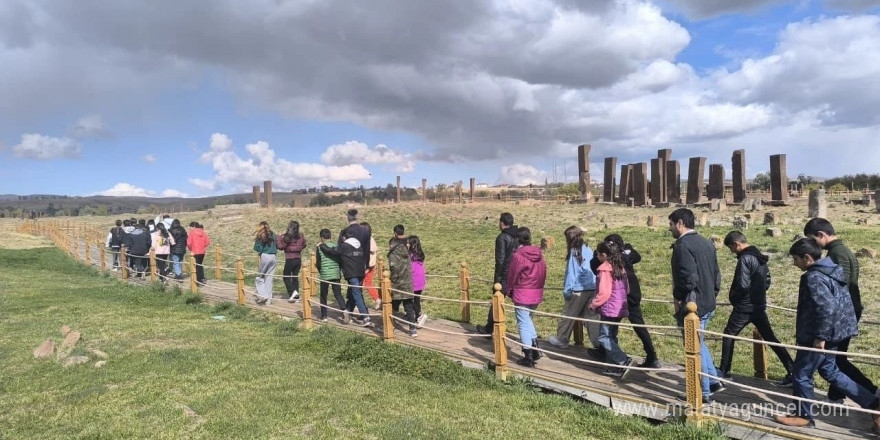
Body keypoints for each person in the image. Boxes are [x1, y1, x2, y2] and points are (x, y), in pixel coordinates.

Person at [774, 238, 880, 431]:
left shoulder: (813, 277)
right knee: (830, 371)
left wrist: (820, 337)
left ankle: (804, 417)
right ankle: (874, 405)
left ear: (807, 258)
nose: (794, 263)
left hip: (818, 336)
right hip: (837, 332)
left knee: (801, 374)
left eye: (795, 259)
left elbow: (826, 308)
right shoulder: (833, 270)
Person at [804, 218, 877, 403]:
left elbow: (837, 288)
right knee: (836, 359)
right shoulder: (842, 250)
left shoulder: (837, 254)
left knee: (837, 361)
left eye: (812, 239)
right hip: (849, 310)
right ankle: (836, 393)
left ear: (821, 235)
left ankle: (871, 392)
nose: (811, 245)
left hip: (843, 313)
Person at [718, 231, 794, 385]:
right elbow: (767, 281)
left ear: (736, 244)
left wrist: (733, 296)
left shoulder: (745, 259)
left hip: (744, 307)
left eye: (731, 248)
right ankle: (793, 371)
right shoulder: (760, 257)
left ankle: (724, 370)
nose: (731, 252)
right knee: (771, 339)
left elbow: (743, 285)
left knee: (729, 335)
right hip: (759, 306)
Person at [668, 208, 724, 403]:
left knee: (694, 347)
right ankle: (714, 382)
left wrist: (679, 299)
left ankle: (703, 393)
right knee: (699, 343)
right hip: (708, 301)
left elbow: (688, 279)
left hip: (693, 304)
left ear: (680, 223)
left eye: (671, 224)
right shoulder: (706, 242)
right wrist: (712, 294)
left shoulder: (682, 246)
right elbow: (717, 275)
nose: (670, 229)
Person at [588, 234, 660, 368]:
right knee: (621, 330)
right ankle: (614, 360)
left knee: (608, 332)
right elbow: (636, 256)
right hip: (629, 295)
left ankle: (621, 359)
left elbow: (594, 266)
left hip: (619, 299)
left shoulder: (609, 261)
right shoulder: (623, 256)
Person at [547, 226, 599, 351]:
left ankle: (562, 339)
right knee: (592, 318)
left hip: (578, 289)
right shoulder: (588, 249)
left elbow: (572, 273)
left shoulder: (574, 252)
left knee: (568, 315)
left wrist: (567, 290)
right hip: (592, 287)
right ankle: (599, 344)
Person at [590, 241, 633, 378]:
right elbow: (627, 289)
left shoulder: (605, 269)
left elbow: (604, 293)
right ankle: (613, 367)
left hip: (609, 308)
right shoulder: (620, 267)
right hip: (620, 307)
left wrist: (594, 304)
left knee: (603, 337)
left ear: (604, 255)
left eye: (597, 254)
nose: (596, 257)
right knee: (612, 336)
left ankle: (623, 360)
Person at [506, 227, 547, 367]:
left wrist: (508, 290)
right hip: (536, 291)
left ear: (518, 240)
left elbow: (512, 275)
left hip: (523, 291)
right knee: (528, 319)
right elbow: (543, 272)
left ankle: (528, 353)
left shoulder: (518, 256)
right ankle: (535, 347)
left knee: (523, 323)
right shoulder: (539, 254)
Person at [477, 212, 519, 334]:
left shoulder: (502, 237)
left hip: (505, 274)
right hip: (515, 272)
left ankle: (490, 329)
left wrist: (497, 278)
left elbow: (500, 260)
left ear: (502, 223)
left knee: (496, 299)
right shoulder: (517, 235)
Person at [320, 229, 372, 327]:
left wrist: (322, 245)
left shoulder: (344, 246)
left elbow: (331, 251)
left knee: (356, 293)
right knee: (354, 293)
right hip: (361, 272)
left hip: (352, 273)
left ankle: (366, 317)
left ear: (344, 237)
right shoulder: (359, 245)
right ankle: (349, 313)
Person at [388, 225, 417, 337]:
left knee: (393, 306)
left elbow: (393, 267)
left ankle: (390, 325)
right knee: (408, 307)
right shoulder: (407, 248)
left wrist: (393, 279)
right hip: (408, 281)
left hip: (398, 283)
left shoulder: (393, 253)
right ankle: (413, 329)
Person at [314, 229, 346, 322]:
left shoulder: (320, 247)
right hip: (336, 273)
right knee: (338, 294)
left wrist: (321, 271)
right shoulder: (336, 246)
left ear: (322, 237)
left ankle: (324, 316)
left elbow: (318, 262)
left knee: (324, 295)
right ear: (330, 236)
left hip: (325, 274)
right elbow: (340, 260)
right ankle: (344, 310)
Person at [277, 220, 306, 302]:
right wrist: (298, 249)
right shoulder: (301, 236)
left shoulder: (287, 237)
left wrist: (279, 237)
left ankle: (293, 292)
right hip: (298, 259)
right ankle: (296, 297)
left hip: (290, 259)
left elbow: (280, 246)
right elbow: (304, 244)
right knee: (295, 277)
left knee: (286, 277)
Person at [339, 209, 371, 274]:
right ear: (357, 216)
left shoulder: (344, 232)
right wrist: (367, 265)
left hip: (348, 264)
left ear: (348, 217)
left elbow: (340, 249)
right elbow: (367, 250)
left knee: (352, 283)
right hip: (362, 263)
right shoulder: (365, 232)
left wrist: (341, 265)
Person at [253, 221, 277, 305]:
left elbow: (257, 248)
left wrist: (257, 241)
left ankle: (263, 296)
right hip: (274, 257)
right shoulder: (273, 234)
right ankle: (269, 300)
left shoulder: (260, 236)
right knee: (269, 279)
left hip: (265, 256)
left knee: (259, 278)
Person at [408, 235, 428, 327]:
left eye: (408, 243)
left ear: (412, 244)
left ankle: (419, 315)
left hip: (414, 281)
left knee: (412, 300)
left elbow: (411, 269)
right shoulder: (420, 255)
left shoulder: (411, 256)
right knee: (416, 299)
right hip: (420, 281)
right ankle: (416, 315)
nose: (407, 244)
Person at [360, 222, 380, 309]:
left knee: (367, 283)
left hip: (368, 265)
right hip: (369, 264)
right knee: (365, 283)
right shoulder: (369, 239)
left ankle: (377, 299)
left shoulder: (369, 239)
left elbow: (372, 249)